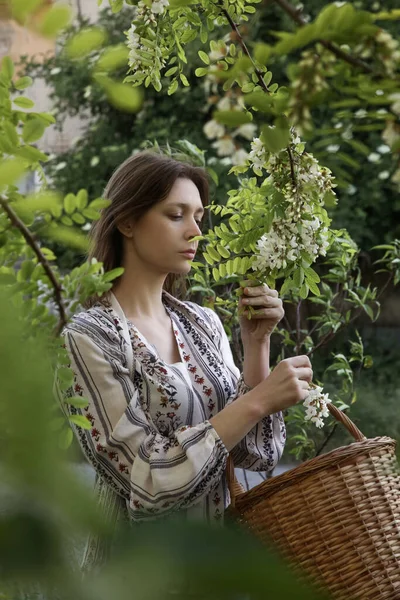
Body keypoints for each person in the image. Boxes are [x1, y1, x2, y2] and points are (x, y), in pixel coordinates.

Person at [59, 151, 313, 531]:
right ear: (127, 221)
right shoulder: (89, 337)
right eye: (176, 215)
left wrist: (257, 344)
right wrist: (260, 400)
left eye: (198, 217)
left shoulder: (203, 323)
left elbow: (253, 453)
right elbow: (145, 484)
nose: (195, 231)